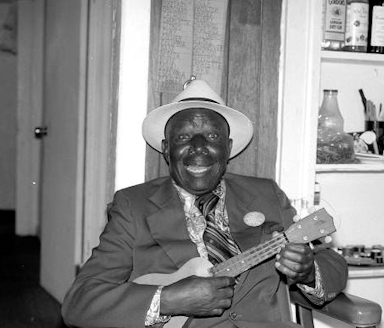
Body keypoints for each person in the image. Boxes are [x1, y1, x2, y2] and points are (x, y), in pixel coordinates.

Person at [61, 79, 348, 328]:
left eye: (211, 136)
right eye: (184, 136)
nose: (199, 148)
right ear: (166, 148)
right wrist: (169, 300)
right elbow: (80, 302)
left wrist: (308, 270)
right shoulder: (133, 206)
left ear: (228, 148)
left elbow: (330, 262)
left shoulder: (266, 194)